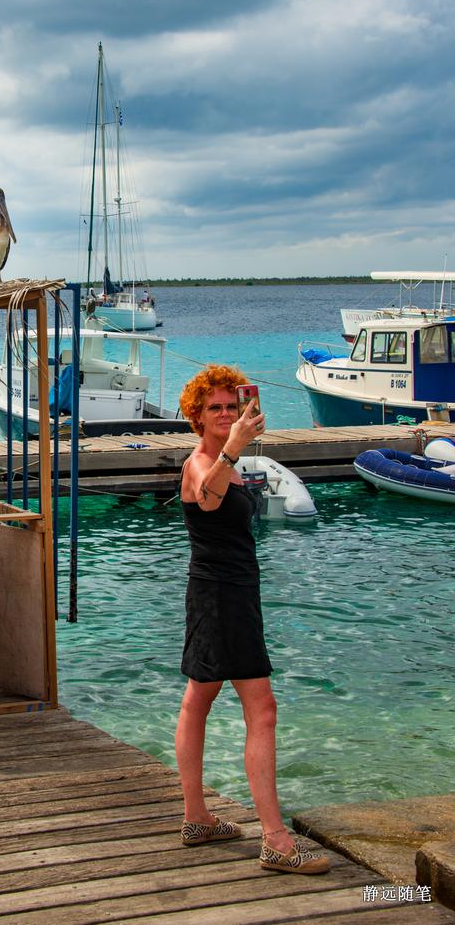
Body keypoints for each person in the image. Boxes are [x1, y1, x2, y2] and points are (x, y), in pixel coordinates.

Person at [176, 364, 330, 874]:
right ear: (196, 416)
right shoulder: (202, 462)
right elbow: (206, 496)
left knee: (200, 697)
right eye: (213, 408)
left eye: (230, 405)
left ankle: (197, 818)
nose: (224, 413)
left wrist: (236, 449)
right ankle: (276, 840)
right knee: (261, 710)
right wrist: (233, 445)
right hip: (223, 596)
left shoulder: (229, 463)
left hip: (224, 594)